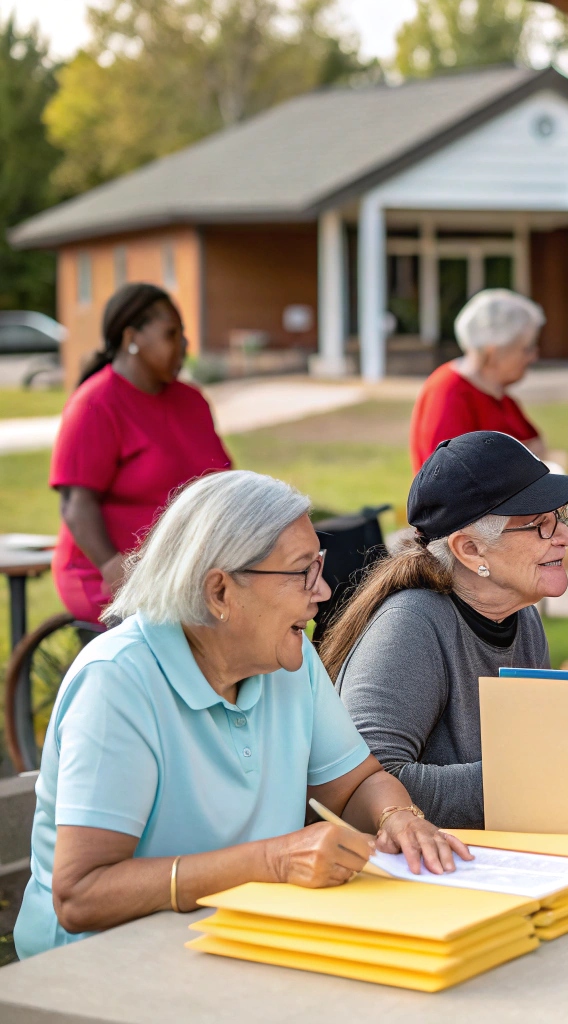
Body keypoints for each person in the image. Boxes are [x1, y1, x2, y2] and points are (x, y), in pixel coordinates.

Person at [14, 470, 470, 960]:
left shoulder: (288, 660)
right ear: (219, 592)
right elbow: (81, 895)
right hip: (101, 967)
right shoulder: (117, 681)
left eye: (318, 565)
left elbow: (355, 785)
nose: (322, 590)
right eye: (302, 572)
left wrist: (397, 816)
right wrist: (271, 861)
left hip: (235, 941)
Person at [321, 431, 568, 829]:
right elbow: (362, 789)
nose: (565, 537)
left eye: (561, 516)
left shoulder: (523, 616)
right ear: (470, 549)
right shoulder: (410, 624)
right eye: (540, 524)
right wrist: (536, 778)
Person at [50, 283, 231, 623]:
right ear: (131, 337)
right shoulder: (96, 404)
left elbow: (222, 483)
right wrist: (113, 567)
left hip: (187, 572)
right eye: (171, 334)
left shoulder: (191, 401)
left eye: (183, 334)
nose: (184, 345)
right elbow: (76, 505)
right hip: (112, 575)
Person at [409, 289, 546, 471]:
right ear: (493, 352)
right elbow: (446, 477)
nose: (533, 357)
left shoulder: (498, 395)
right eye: (527, 349)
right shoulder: (449, 392)